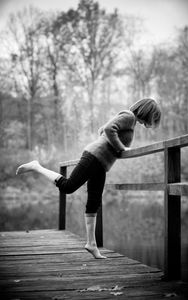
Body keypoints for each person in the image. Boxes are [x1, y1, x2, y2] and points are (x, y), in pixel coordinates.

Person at [16, 98, 161, 259]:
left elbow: (101, 130)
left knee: (94, 201)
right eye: (153, 117)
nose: (151, 122)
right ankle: (37, 166)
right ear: (147, 111)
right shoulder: (129, 116)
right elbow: (107, 128)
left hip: (101, 163)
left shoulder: (130, 121)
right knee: (68, 186)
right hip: (93, 157)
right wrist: (122, 148)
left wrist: (112, 147)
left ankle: (91, 244)